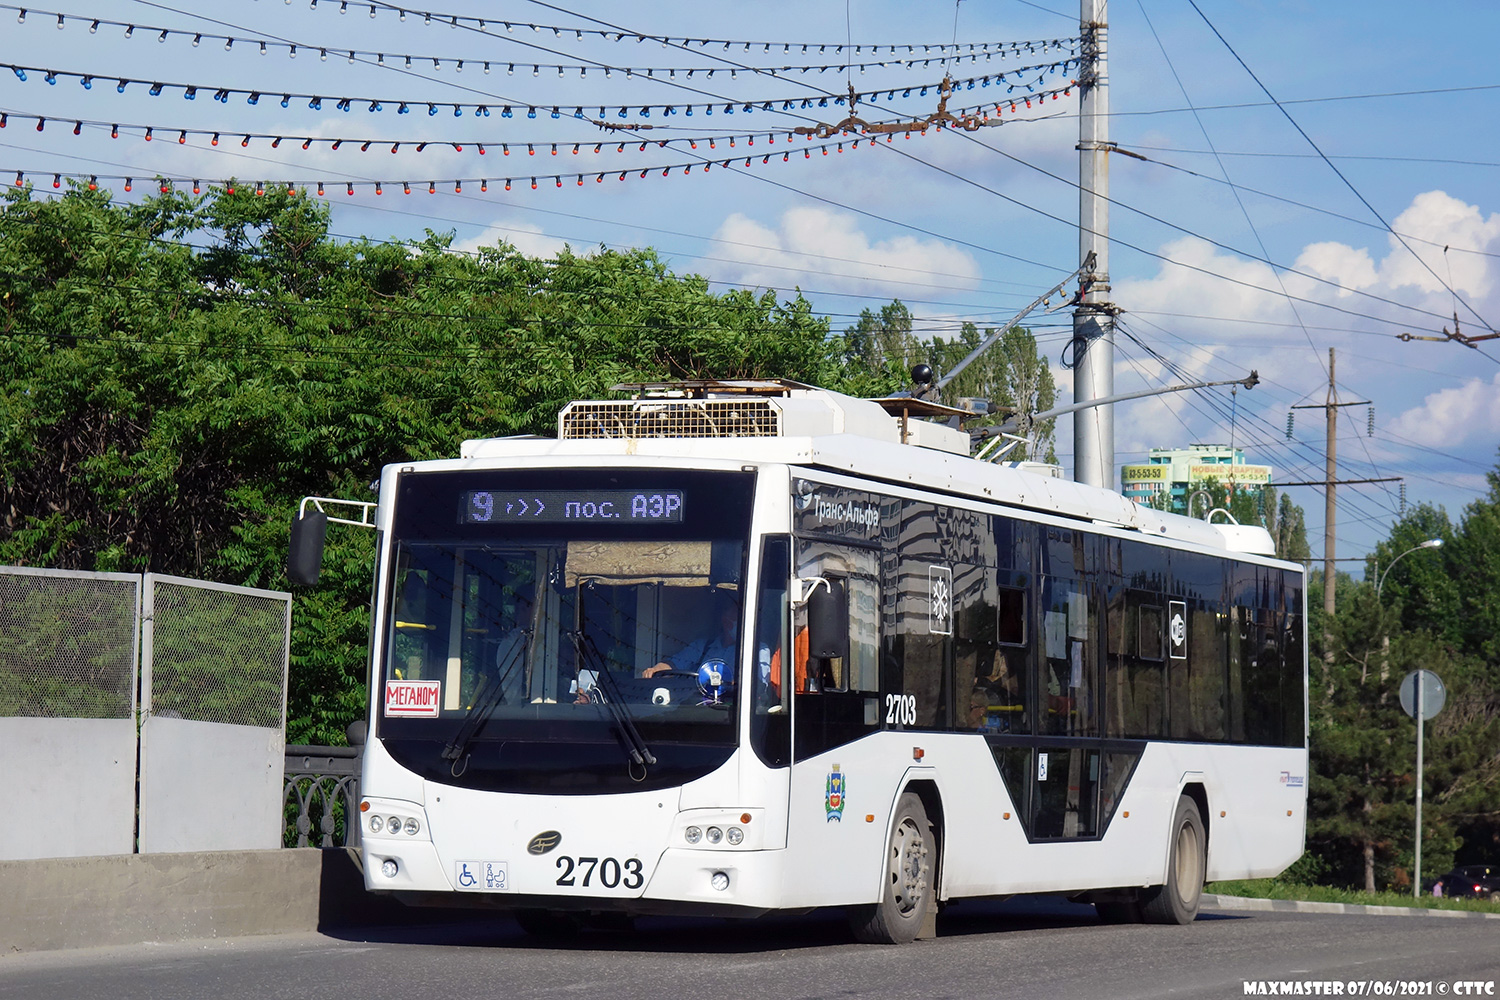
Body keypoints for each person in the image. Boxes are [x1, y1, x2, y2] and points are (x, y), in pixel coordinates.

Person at [644, 589, 739, 683]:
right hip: (696, 697)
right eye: (734, 617)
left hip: (733, 698)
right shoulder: (702, 646)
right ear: (725, 621)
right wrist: (655, 670)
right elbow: (675, 663)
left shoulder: (746, 651)